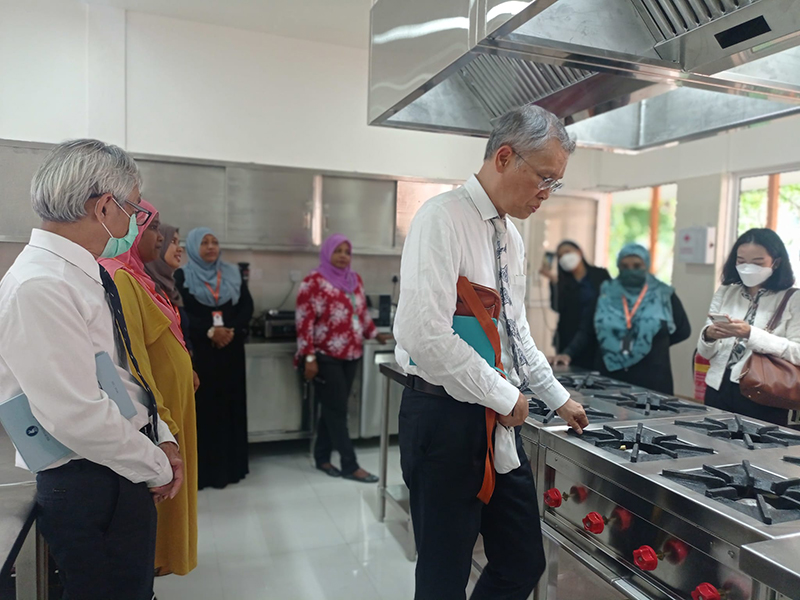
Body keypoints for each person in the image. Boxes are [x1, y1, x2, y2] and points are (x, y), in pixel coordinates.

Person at [393, 105, 589, 600]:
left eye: (555, 183)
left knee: (523, 562)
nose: (547, 193)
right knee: (444, 576)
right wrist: (505, 394)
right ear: (505, 157)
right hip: (443, 419)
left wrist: (556, 396)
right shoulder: (443, 217)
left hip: (495, 415)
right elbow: (423, 333)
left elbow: (515, 328)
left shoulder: (511, 234)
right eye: (544, 179)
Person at [0, 139, 182, 600]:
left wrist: (160, 435)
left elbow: (122, 373)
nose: (135, 225)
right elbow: (76, 415)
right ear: (105, 206)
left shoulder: (84, 273)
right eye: (134, 211)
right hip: (92, 479)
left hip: (119, 464)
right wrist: (156, 466)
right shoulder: (39, 285)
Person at [99, 201, 198, 576]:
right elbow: (134, 361)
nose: (158, 237)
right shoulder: (120, 278)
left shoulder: (136, 277)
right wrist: (163, 426)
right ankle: (159, 559)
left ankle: (162, 558)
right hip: (159, 409)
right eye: (152, 227)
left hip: (169, 405)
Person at [295, 234, 391, 483]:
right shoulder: (313, 281)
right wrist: (308, 357)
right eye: (337, 251)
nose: (342, 256)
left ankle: (322, 458)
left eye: (347, 252)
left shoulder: (353, 280)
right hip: (325, 356)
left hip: (352, 354)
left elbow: (361, 314)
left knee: (332, 408)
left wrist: (376, 334)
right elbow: (303, 322)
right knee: (338, 411)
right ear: (327, 252)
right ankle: (350, 465)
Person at [176, 227, 253, 489]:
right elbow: (181, 313)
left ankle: (232, 468)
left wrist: (230, 330)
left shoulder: (233, 274)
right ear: (193, 248)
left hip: (231, 350)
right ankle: (206, 472)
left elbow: (246, 307)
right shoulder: (181, 276)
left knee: (231, 406)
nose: (211, 247)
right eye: (204, 243)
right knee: (205, 408)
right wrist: (209, 330)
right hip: (202, 353)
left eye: (215, 242)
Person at [698, 228, 800, 425]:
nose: (747, 267)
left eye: (757, 262)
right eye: (741, 260)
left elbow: (797, 352)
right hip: (718, 387)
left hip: (764, 391)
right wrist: (709, 335)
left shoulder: (793, 299)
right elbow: (705, 352)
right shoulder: (726, 291)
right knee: (712, 447)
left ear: (776, 262)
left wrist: (751, 334)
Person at [594, 243, 691, 395]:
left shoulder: (663, 294)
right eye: (625, 266)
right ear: (618, 266)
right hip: (610, 374)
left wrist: (655, 343)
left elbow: (683, 330)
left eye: (637, 265)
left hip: (652, 376)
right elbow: (590, 327)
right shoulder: (607, 291)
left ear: (646, 265)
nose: (630, 270)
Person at [539, 240, 611, 368]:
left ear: (579, 252)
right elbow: (557, 307)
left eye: (567, 252)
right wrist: (553, 281)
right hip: (569, 338)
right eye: (560, 256)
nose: (564, 258)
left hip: (596, 334)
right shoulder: (562, 281)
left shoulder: (599, 275)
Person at [145, 224, 195, 357]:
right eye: (172, 242)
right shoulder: (148, 287)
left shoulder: (170, 287)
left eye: (179, 242)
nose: (179, 249)